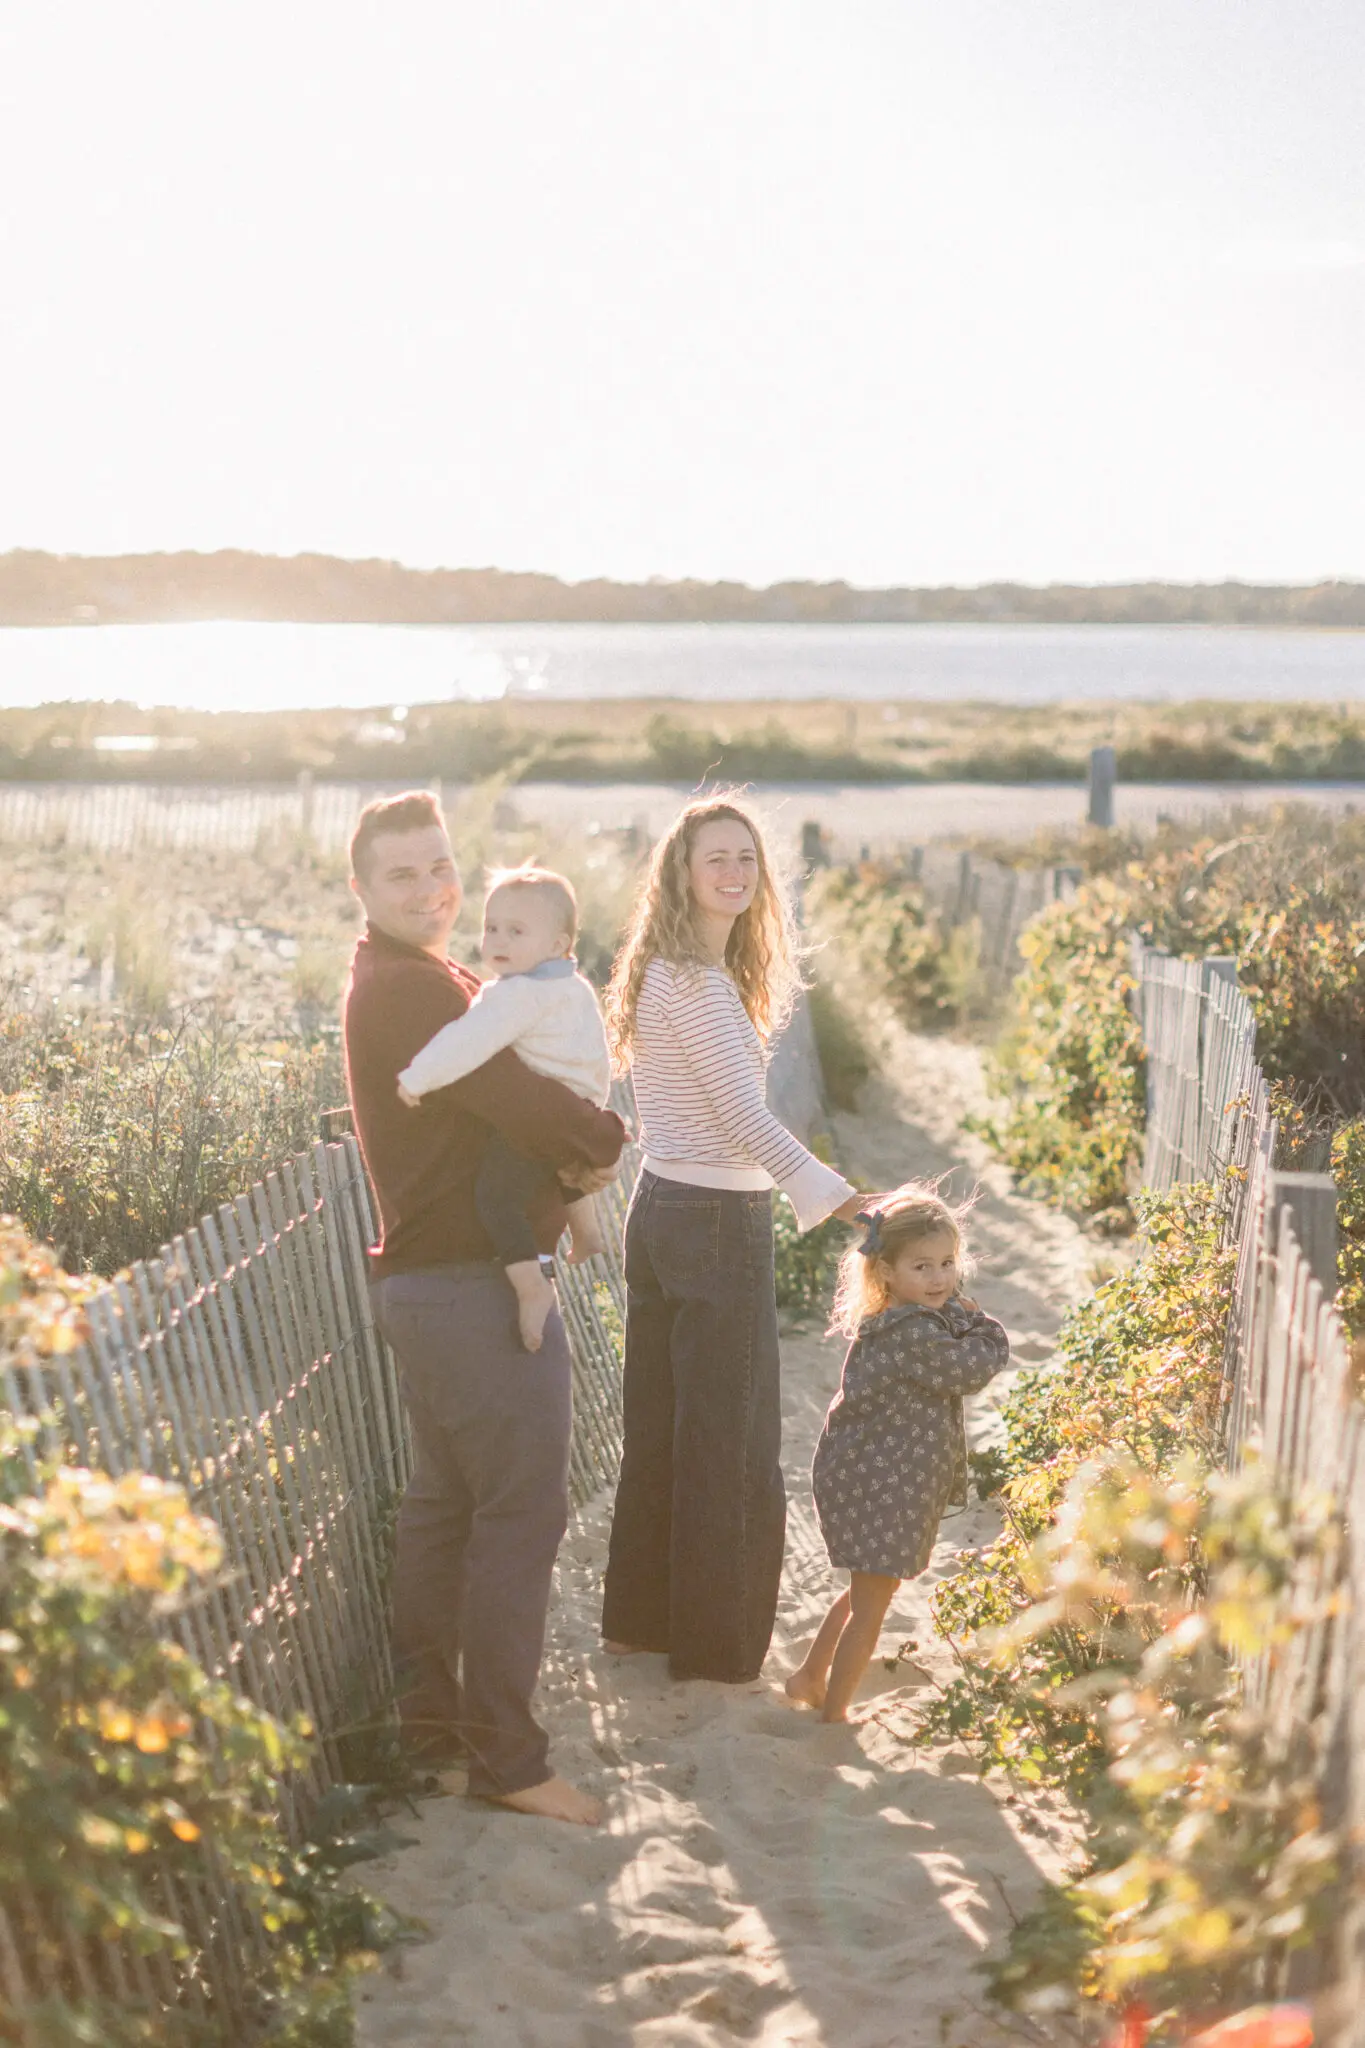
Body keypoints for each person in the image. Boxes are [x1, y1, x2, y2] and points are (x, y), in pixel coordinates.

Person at [342, 791, 624, 1826]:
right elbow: (529, 1103)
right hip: (467, 1283)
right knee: (518, 1513)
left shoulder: (431, 975)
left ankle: (433, 1734)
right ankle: (506, 1757)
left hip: (429, 1282)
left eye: (440, 865)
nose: (431, 888)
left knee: (448, 1508)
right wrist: (607, 1134)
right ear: (363, 889)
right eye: (403, 874)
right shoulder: (414, 989)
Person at [599, 793, 863, 1684]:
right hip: (713, 1222)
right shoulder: (695, 980)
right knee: (731, 1443)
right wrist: (833, 1196)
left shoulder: (664, 970)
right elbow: (744, 1116)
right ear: (680, 872)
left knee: (665, 1428)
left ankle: (639, 1622)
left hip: (663, 1210)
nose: (734, 874)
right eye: (715, 858)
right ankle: (713, 1651)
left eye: (746, 859)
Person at [786, 1183, 1010, 1724]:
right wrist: (987, 1329)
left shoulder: (914, 1319)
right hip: (879, 1482)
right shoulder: (910, 1331)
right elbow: (968, 1369)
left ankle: (810, 1678)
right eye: (922, 1267)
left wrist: (961, 1315)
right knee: (873, 1604)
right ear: (886, 1271)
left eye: (947, 1263)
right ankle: (834, 1713)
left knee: (871, 1587)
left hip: (881, 1475)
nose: (938, 1278)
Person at [396, 864, 610, 1353]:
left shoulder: (518, 994)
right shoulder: (572, 986)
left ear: (557, 945)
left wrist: (418, 1077)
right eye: (491, 927)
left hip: (544, 1112)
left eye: (516, 931)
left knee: (496, 1195)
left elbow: (467, 1041)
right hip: (582, 1101)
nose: (497, 939)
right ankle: (588, 1230)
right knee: (565, 1164)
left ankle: (530, 1285)